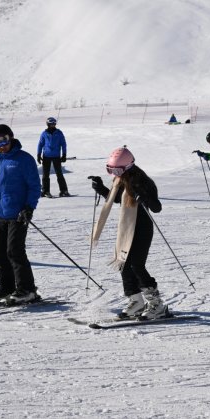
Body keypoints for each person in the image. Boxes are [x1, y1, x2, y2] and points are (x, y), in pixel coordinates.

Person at [89, 146, 167, 319]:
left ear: (127, 167)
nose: (114, 174)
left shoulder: (143, 182)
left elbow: (157, 208)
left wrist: (144, 197)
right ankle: (136, 301)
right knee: (124, 264)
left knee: (137, 266)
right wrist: (101, 187)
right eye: (111, 170)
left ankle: (156, 305)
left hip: (142, 229)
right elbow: (117, 198)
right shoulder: (121, 180)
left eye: (117, 170)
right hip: (127, 229)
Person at [0, 124, 41, 305]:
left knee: (15, 251)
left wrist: (29, 208)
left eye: (3, 140)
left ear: (11, 138)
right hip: (0, 214)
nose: (0, 145)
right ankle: (7, 287)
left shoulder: (23, 159)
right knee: (0, 251)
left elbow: (35, 187)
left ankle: (27, 290)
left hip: (18, 214)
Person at [37, 117, 70, 197]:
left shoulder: (59, 133)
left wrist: (64, 154)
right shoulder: (44, 133)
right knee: (45, 175)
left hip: (56, 157)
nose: (52, 125)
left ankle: (64, 191)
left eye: (54, 124)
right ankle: (45, 191)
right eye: (51, 124)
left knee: (59, 174)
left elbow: (63, 144)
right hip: (46, 156)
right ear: (48, 124)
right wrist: (38, 154)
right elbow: (40, 144)